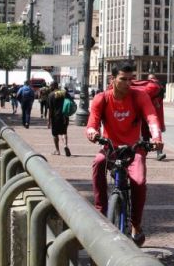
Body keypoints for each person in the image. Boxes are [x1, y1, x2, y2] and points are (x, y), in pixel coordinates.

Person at [85, 63, 162, 247]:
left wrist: (156, 137)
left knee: (139, 181)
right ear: (112, 80)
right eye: (123, 79)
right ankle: (101, 211)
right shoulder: (101, 99)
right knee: (98, 163)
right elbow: (92, 122)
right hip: (110, 148)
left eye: (130, 79)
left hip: (134, 149)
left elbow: (151, 117)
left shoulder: (139, 96)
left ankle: (136, 224)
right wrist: (92, 132)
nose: (128, 83)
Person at [46, 81, 72, 156]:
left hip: (55, 117)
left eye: (50, 86)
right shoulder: (64, 93)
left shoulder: (51, 95)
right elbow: (71, 102)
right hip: (65, 116)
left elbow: (50, 110)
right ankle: (65, 145)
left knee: (55, 134)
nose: (50, 87)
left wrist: (49, 121)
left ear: (53, 86)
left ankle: (57, 150)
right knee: (64, 132)